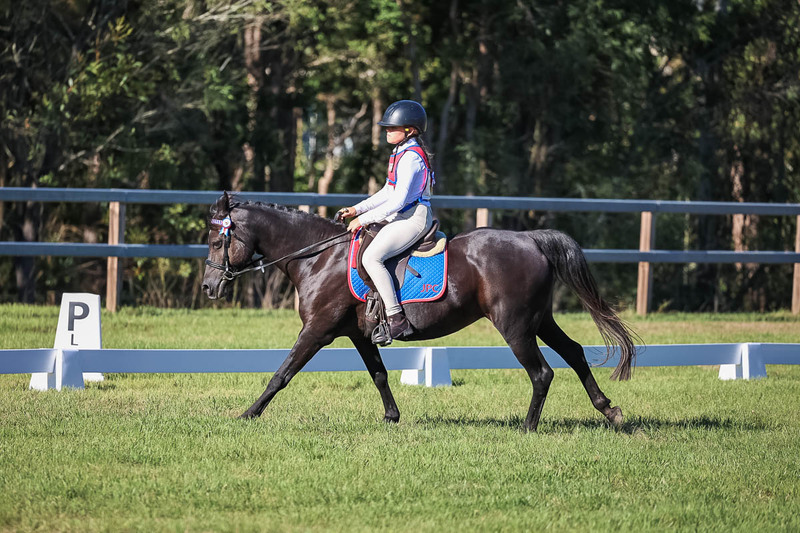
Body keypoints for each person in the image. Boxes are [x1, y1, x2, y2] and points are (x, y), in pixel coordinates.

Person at [338, 100, 435, 343]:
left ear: (409, 130)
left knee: (372, 257)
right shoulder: (400, 153)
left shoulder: (411, 157)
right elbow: (387, 192)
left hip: (413, 217)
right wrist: (356, 209)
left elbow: (398, 201)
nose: (387, 131)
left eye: (392, 128)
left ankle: (396, 319)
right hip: (401, 214)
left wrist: (363, 219)